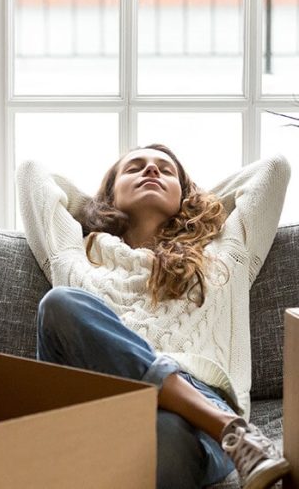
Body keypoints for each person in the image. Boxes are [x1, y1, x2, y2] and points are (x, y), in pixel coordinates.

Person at [16, 144, 290, 489]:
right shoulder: (76, 253)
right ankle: (232, 430)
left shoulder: (224, 253)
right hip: (99, 408)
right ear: (109, 195)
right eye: (135, 168)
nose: (151, 171)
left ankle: (208, 421)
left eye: (165, 170)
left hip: (190, 422)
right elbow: (32, 173)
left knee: (165, 431)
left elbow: (273, 170)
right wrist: (97, 208)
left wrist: (196, 208)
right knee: (60, 303)